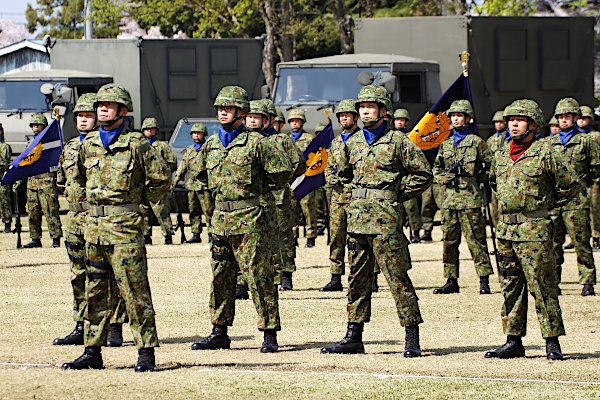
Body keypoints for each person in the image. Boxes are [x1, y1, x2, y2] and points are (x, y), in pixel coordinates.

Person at [62, 84, 169, 372]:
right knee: (94, 290)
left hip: (124, 230)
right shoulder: (89, 144)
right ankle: (92, 351)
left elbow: (160, 181)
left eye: (109, 105)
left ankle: (146, 351)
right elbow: (80, 177)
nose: (102, 110)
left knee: (134, 291)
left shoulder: (137, 144)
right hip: (94, 229)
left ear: (123, 110)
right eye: (99, 105)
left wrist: (134, 204)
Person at [321, 85, 432, 357]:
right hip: (357, 221)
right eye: (361, 107)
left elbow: (423, 174)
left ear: (384, 111)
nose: (365, 111)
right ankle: (353, 336)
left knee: (398, 279)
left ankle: (411, 336)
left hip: (385, 222)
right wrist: (352, 195)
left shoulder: (399, 141)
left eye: (370, 106)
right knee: (357, 280)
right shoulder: (353, 142)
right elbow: (335, 174)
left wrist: (393, 194)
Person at [190, 86, 292, 353]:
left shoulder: (257, 143)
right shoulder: (211, 144)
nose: (223, 112)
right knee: (221, 277)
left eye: (228, 108)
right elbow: (199, 174)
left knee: (259, 276)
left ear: (241, 112)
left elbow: (281, 172)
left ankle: (269, 333)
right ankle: (219, 331)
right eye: (220, 108)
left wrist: (258, 193)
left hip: (250, 218)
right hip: (221, 219)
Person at [485, 99, 578, 360]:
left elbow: (570, 184)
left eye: (520, 120)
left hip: (534, 230)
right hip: (506, 230)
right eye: (511, 119)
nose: (513, 124)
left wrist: (546, 206)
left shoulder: (546, 151)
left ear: (533, 124)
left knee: (541, 285)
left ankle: (552, 341)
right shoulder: (501, 154)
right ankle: (513, 340)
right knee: (510, 285)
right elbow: (495, 183)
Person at [54, 93, 128, 347]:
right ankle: (81, 323)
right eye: (80, 116)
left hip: (100, 219)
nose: (84, 120)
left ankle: (115, 326)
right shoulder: (71, 147)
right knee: (79, 273)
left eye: (88, 115)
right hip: (75, 218)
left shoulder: (106, 145)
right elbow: (63, 182)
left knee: (110, 274)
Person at [432, 100, 494, 295]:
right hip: (449, 201)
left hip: (470, 199)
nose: (456, 119)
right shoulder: (446, 144)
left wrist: (478, 178)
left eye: (460, 115)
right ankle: (451, 280)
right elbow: (435, 169)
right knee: (449, 242)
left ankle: (484, 280)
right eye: (453, 116)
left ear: (468, 119)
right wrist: (444, 177)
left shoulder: (477, 143)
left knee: (476, 240)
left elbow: (491, 166)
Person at [548, 98, 600, 297]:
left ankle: (587, 282)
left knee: (581, 241)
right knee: (553, 243)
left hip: (576, 200)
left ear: (576, 118)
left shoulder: (586, 142)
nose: (563, 120)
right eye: (560, 117)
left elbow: (595, 168)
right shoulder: (548, 143)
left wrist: (582, 184)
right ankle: (554, 281)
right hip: (554, 201)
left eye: (567, 117)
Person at [17, 113, 63, 248]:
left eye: (38, 124)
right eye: (33, 125)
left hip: (47, 182)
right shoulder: (30, 144)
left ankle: (55, 239)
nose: (36, 127)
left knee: (51, 211)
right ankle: (35, 239)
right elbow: (25, 163)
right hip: (32, 183)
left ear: (44, 126)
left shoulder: (51, 142)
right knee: (33, 212)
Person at [172, 122, 214, 244]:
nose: (196, 135)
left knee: (208, 211)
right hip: (192, 185)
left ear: (204, 134)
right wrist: (175, 181)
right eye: (194, 133)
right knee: (193, 211)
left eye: (199, 133)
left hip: (204, 185)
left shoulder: (208, 149)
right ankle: (196, 234)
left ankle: (212, 234)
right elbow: (182, 167)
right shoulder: (189, 151)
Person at [140, 117, 177, 245]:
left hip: (158, 186)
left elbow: (172, 163)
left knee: (163, 212)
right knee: (144, 213)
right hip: (143, 185)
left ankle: (168, 235)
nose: (149, 131)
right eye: (147, 129)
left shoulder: (162, 146)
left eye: (152, 129)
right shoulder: (139, 146)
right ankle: (146, 236)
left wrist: (162, 172)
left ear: (156, 130)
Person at [288, 108, 318, 248]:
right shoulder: (286, 139)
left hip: (305, 179)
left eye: (297, 120)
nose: (294, 123)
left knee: (308, 209)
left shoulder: (309, 139)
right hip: (291, 180)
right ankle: (293, 237)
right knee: (291, 209)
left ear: (302, 122)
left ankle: (310, 237)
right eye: (292, 121)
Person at [393, 108, 422, 243]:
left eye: (402, 120)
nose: (399, 122)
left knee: (411, 206)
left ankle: (416, 231)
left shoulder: (411, 138)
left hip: (407, 176)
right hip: (394, 177)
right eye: (397, 120)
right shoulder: (389, 137)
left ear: (406, 122)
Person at [578, 106, 600, 250]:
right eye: (579, 118)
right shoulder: (573, 137)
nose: (581, 121)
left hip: (594, 179)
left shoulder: (596, 136)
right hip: (578, 179)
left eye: (585, 118)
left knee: (595, 207)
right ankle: (578, 237)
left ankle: (596, 236)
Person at [486, 110, 511, 227]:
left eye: (501, 122)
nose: (499, 125)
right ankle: (497, 226)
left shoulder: (509, 138)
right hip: (495, 175)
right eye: (496, 122)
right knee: (494, 204)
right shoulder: (490, 140)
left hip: (508, 175)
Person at [0, 124, 12, 233]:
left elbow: (4, 162)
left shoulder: (4, 147)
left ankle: (7, 224)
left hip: (1, 179)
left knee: (4, 201)